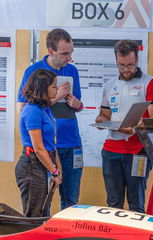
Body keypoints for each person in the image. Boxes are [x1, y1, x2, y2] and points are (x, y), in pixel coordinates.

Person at [17, 29, 83, 210]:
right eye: (64, 53)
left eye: (71, 53)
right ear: (51, 51)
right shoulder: (34, 72)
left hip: (70, 142)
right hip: (44, 149)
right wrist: (56, 97)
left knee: (71, 201)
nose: (69, 58)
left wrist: (77, 104)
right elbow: (25, 109)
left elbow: (79, 105)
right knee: (40, 206)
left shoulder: (72, 70)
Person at [95, 40, 153, 213]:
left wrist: (133, 130)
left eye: (130, 65)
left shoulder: (150, 83)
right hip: (111, 152)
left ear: (137, 59)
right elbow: (105, 115)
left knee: (136, 203)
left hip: (138, 152)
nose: (126, 70)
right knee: (113, 203)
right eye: (121, 65)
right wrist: (100, 120)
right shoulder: (110, 85)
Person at [16, 69, 62, 217]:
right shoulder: (32, 111)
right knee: (34, 216)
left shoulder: (45, 108)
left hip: (45, 163)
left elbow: (51, 144)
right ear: (43, 88)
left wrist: (58, 170)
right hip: (32, 165)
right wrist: (53, 171)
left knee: (44, 213)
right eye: (54, 86)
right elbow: (39, 148)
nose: (57, 89)